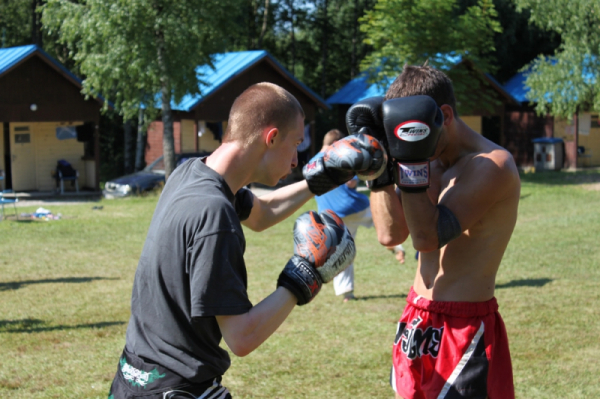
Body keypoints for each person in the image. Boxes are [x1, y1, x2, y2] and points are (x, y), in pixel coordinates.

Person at [108, 82, 385, 399]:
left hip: (134, 378)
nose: (296, 160)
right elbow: (241, 337)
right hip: (175, 389)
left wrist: (320, 179)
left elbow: (263, 212)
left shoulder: (191, 173)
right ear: (271, 138)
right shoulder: (215, 214)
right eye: (295, 144)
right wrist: (305, 275)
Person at [347, 66, 520, 398]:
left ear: (444, 115)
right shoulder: (433, 161)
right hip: (416, 316)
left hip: (463, 327)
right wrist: (379, 171)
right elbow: (390, 234)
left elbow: (427, 236)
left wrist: (410, 162)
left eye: (415, 130)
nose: (410, 140)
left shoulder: (492, 165)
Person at [311, 129, 374, 302]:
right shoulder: (340, 155)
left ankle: (347, 294)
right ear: (339, 143)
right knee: (387, 223)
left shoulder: (312, 162)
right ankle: (399, 247)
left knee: (342, 250)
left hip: (329, 215)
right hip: (354, 207)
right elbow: (352, 182)